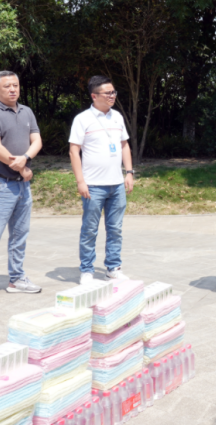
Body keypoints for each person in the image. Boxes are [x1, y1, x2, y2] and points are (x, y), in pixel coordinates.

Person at [0, 71, 43, 304]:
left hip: (22, 187)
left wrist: (25, 158)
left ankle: (16, 279)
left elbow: (37, 140)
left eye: (15, 85)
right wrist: (22, 168)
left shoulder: (26, 111)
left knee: (19, 235)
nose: (13, 89)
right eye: (7, 86)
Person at [69, 76, 135, 284]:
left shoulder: (117, 117)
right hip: (93, 186)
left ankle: (113, 268)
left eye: (113, 92)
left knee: (115, 229)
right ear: (94, 96)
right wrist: (80, 181)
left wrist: (129, 172)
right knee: (90, 229)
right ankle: (87, 270)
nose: (112, 96)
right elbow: (74, 151)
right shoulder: (82, 119)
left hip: (116, 185)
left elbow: (124, 145)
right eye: (108, 93)